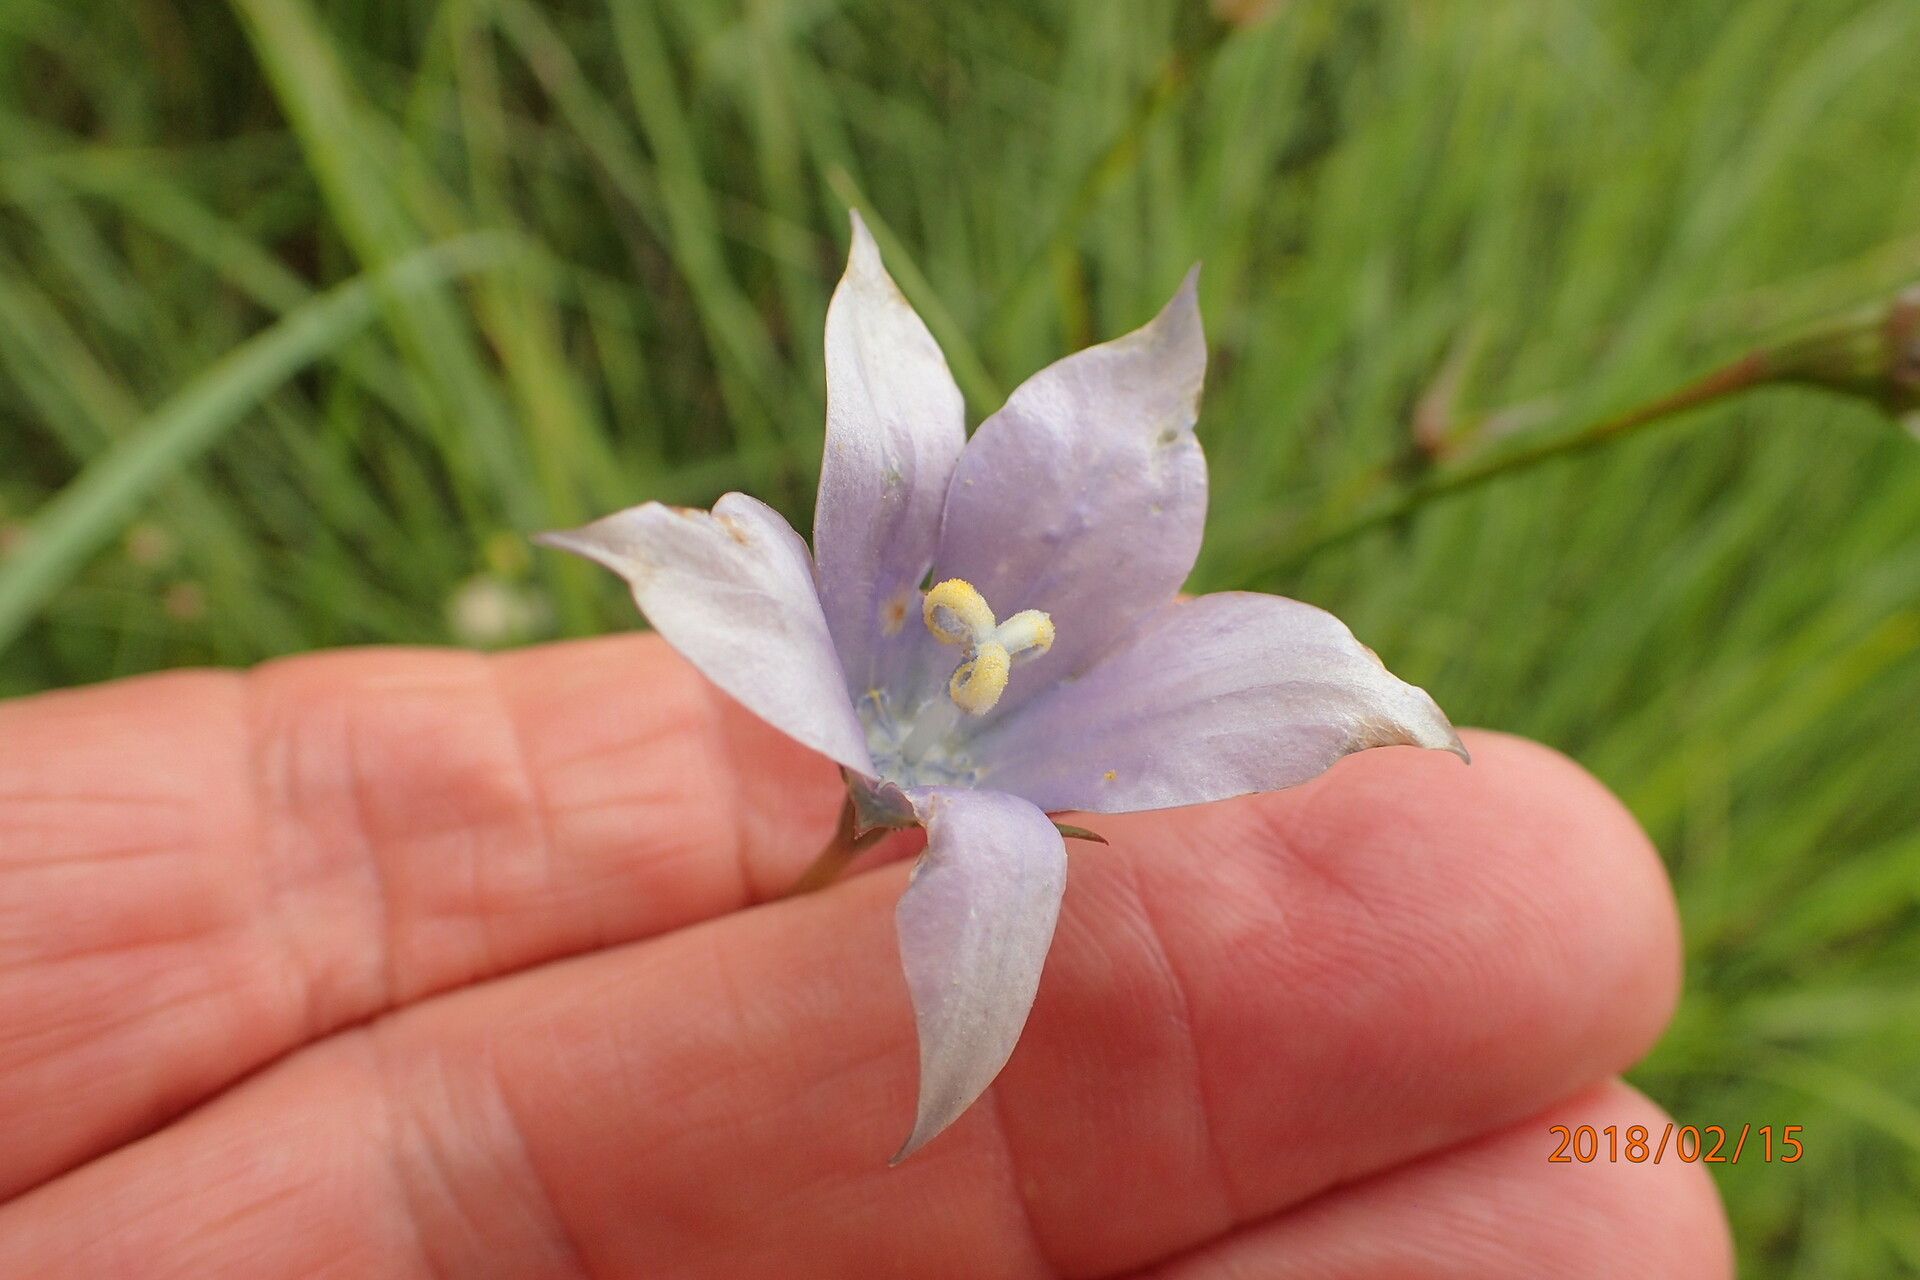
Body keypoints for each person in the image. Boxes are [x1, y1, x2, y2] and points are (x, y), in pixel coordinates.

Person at [0, 632, 1731, 1277]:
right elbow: (737, 575)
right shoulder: (816, 627)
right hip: (891, 753)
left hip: (950, 794)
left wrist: (1380, 713)